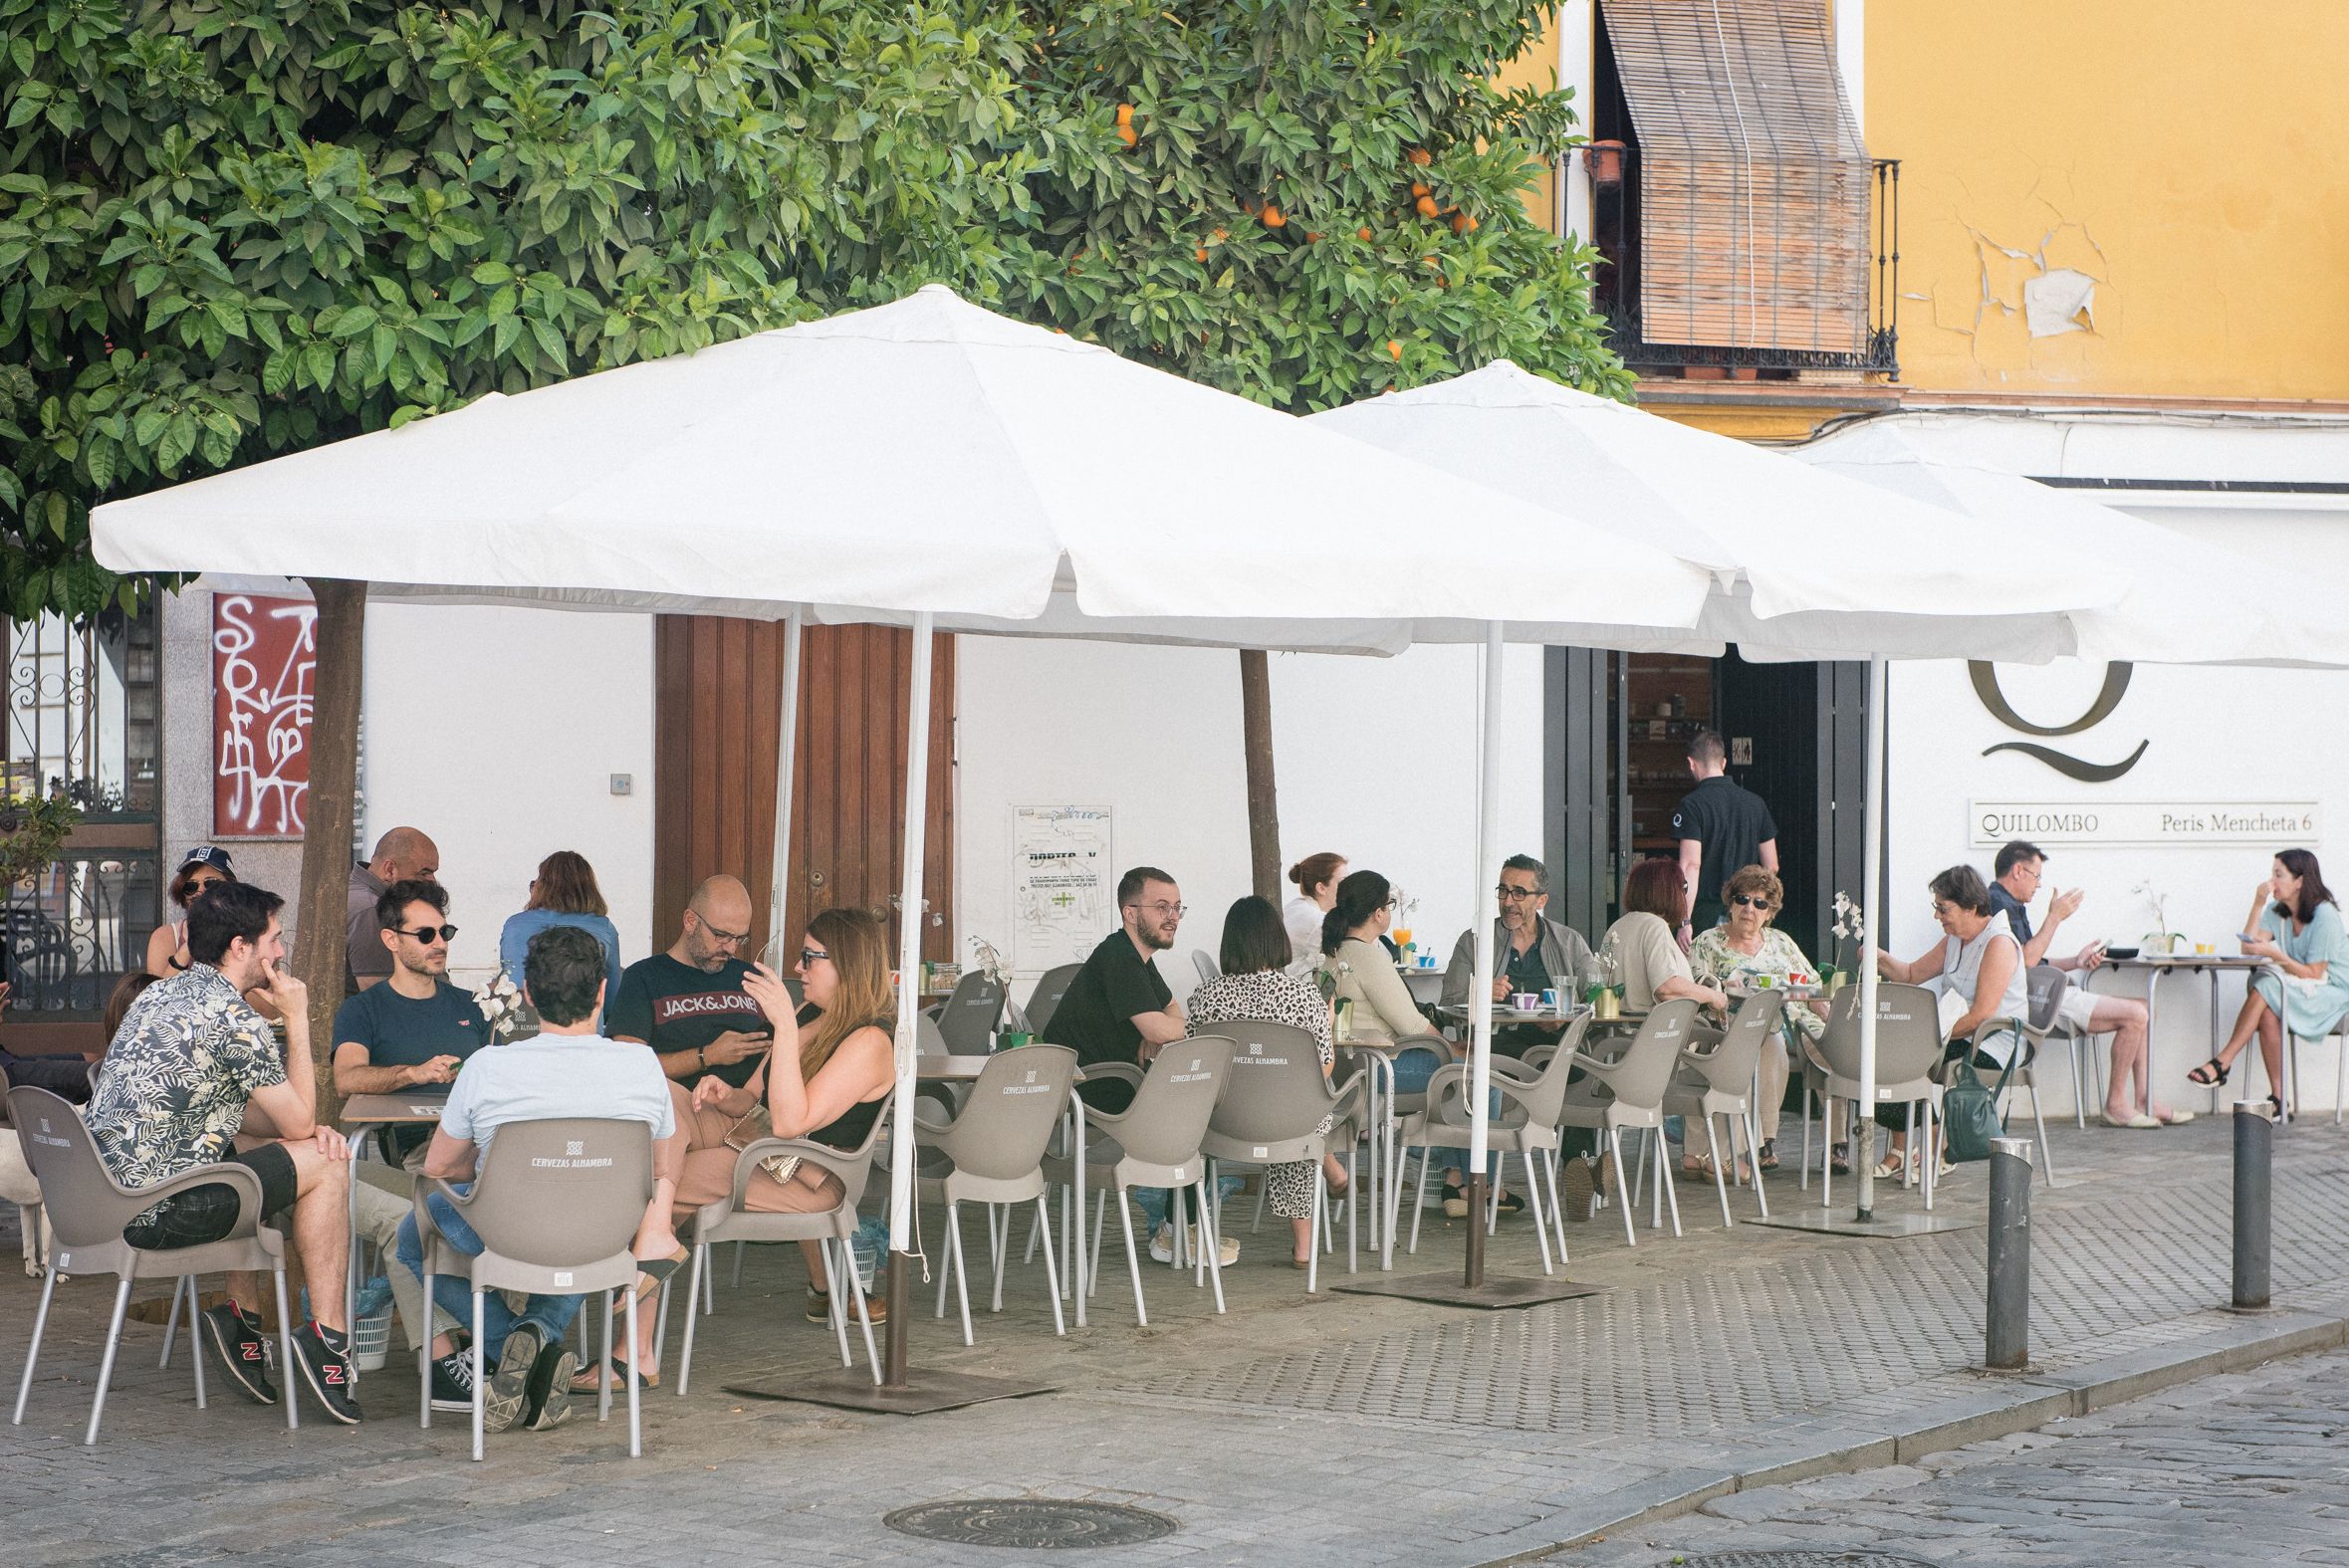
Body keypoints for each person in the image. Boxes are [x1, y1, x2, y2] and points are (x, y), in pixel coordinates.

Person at [82, 881, 360, 1423]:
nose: (281, 953)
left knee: (285, 1147)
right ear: (240, 946)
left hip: (104, 1200)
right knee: (328, 1162)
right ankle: (328, 1342)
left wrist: (298, 1134)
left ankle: (241, 1321)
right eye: (275, 940)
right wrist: (297, 1021)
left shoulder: (161, 994)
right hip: (159, 1212)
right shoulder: (233, 1018)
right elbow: (302, 1119)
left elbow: (259, 1116)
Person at [394, 926, 680, 1433]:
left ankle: (514, 1347)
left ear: (528, 993)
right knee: (580, 1211)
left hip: (505, 1232)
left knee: (412, 1236)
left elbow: (438, 1168)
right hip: (603, 1235)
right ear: (601, 992)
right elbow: (656, 1169)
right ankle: (539, 1348)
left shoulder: (487, 1067)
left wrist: (488, 1168)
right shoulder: (642, 1065)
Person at [618, 908, 897, 1379]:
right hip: (753, 1139)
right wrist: (725, 1094)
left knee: (646, 1187)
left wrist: (784, 1027)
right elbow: (754, 1094)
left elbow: (791, 1121)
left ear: (847, 963)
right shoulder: (813, 1014)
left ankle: (632, 1351)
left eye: (810, 957)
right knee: (660, 1094)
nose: (798, 968)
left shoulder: (870, 1040)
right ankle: (658, 1236)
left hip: (809, 1176)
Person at [1042, 867, 1233, 1261]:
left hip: (1116, 1085)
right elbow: (1160, 1027)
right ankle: (1175, 1231)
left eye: (1178, 907)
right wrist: (1161, 1029)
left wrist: (1164, 1027)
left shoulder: (1138, 959)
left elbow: (1170, 1013)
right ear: (1131, 913)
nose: (1173, 916)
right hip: (1086, 1091)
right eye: (1161, 906)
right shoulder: (1118, 957)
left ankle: (1178, 1228)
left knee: (1195, 1109)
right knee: (1192, 1115)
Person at [1323, 869, 1514, 1221]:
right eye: (1389, 905)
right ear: (1379, 913)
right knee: (1483, 1080)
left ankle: (1456, 1179)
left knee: (1460, 1076)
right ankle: (1478, 1186)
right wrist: (1452, 1048)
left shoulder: (1335, 953)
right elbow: (1410, 1023)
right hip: (1384, 1066)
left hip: (1354, 1067)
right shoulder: (1368, 955)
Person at [1187, 896, 1347, 1267]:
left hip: (1223, 1121)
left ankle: (1193, 1229)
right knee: (1300, 1119)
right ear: (1278, 940)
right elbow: (1323, 1068)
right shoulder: (1305, 996)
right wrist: (1327, 1023)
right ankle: (1304, 1246)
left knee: (1284, 1109)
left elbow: (1196, 1059)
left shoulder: (1206, 996)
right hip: (1288, 1121)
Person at [1989, 841, 2176, 1128]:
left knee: (2144, 1008)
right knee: (2137, 1015)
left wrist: (2076, 960)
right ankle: (2116, 1105)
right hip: (2036, 1000)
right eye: (2036, 876)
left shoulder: (2011, 904)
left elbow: (2033, 960)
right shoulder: (1998, 905)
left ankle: (2143, 1098)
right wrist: (2054, 917)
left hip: (2043, 990)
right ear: (2018, 871)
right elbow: (2024, 962)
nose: (2038, 885)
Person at [1873, 865, 2030, 1176]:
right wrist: (1877, 957)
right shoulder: (1955, 938)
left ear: (1971, 907)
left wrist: (1927, 1039)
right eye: (1937, 908)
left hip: (1993, 1042)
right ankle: (1906, 1148)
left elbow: (1981, 1016)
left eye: (1943, 909)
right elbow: (1910, 975)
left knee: (1903, 1060)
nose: (1937, 916)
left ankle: (1936, 1145)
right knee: (1884, 1056)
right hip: (1958, 1035)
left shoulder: (1998, 943)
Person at [332, 879, 493, 1163]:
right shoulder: (362, 1009)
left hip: (484, 1138)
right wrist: (412, 1073)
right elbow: (346, 1079)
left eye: (445, 932)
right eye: (426, 935)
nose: (440, 943)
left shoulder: (475, 1005)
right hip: (421, 1147)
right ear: (391, 939)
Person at [1689, 864, 1830, 1172]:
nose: (1749, 908)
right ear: (1731, 903)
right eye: (1743, 899)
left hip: (1794, 1019)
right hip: (1737, 1024)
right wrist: (1723, 986)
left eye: (1760, 903)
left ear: (1769, 912)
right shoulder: (1708, 941)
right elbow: (1697, 983)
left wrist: (1819, 1002)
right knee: (1771, 1040)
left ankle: (1838, 1143)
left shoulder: (1781, 942)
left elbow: (1812, 982)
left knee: (1834, 1045)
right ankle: (1764, 1140)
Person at [2189, 849, 2349, 1118]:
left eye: (2279, 874)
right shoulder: (2278, 911)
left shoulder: (2325, 916)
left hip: (2333, 991)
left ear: (2299, 881)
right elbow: (2248, 947)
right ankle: (2279, 1098)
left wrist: (2276, 954)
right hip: (2302, 987)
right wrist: (2257, 903)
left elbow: (2313, 973)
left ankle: (2223, 1062)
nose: (2272, 880)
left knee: (2266, 983)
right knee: (2266, 1003)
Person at [609, 875, 772, 1090]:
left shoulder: (751, 977)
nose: (731, 948)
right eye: (721, 935)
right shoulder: (643, 977)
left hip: (749, 1108)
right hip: (680, 1108)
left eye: (739, 938)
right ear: (690, 921)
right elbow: (628, 1067)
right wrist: (707, 1055)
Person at [1440, 854, 1599, 1056]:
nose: (1507, 901)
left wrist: (1567, 1015)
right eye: (1503, 891)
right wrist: (1480, 993)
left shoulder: (1568, 941)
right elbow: (1447, 1004)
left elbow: (1598, 996)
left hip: (1556, 1048)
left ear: (1541, 900)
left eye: (1519, 893)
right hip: (1492, 1047)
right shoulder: (1474, 941)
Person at [1671, 731, 1778, 936]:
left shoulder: (1692, 805)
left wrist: (1685, 921)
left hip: (1705, 911)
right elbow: (1771, 865)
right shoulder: (1756, 804)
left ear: (1691, 763)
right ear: (1724, 763)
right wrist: (1757, 908)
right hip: (1746, 909)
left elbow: (1691, 865)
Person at [498, 850, 624, 1010]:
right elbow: (611, 997)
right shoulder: (604, 928)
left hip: (520, 1026)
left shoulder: (514, 925)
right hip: (584, 1027)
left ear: (542, 887)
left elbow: (507, 979)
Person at [1601, 858, 1731, 1015]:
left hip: (1617, 1033)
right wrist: (1712, 995)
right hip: (1654, 1033)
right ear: (1669, 891)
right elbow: (1666, 988)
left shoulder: (1618, 926)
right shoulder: (1655, 926)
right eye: (1683, 886)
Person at [348, 826, 439, 992]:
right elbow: (380, 995)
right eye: (424, 873)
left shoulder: (356, 894)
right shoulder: (371, 910)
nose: (432, 881)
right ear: (389, 870)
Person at [143, 844, 235, 978]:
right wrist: (187, 949)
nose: (200, 891)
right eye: (191, 885)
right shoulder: (166, 937)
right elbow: (156, 996)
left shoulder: (252, 934)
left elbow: (269, 998)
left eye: (211, 883)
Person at [1284, 852, 1346, 976]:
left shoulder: (1296, 906)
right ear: (1321, 888)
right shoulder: (1318, 921)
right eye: (1343, 882)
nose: (1349, 887)